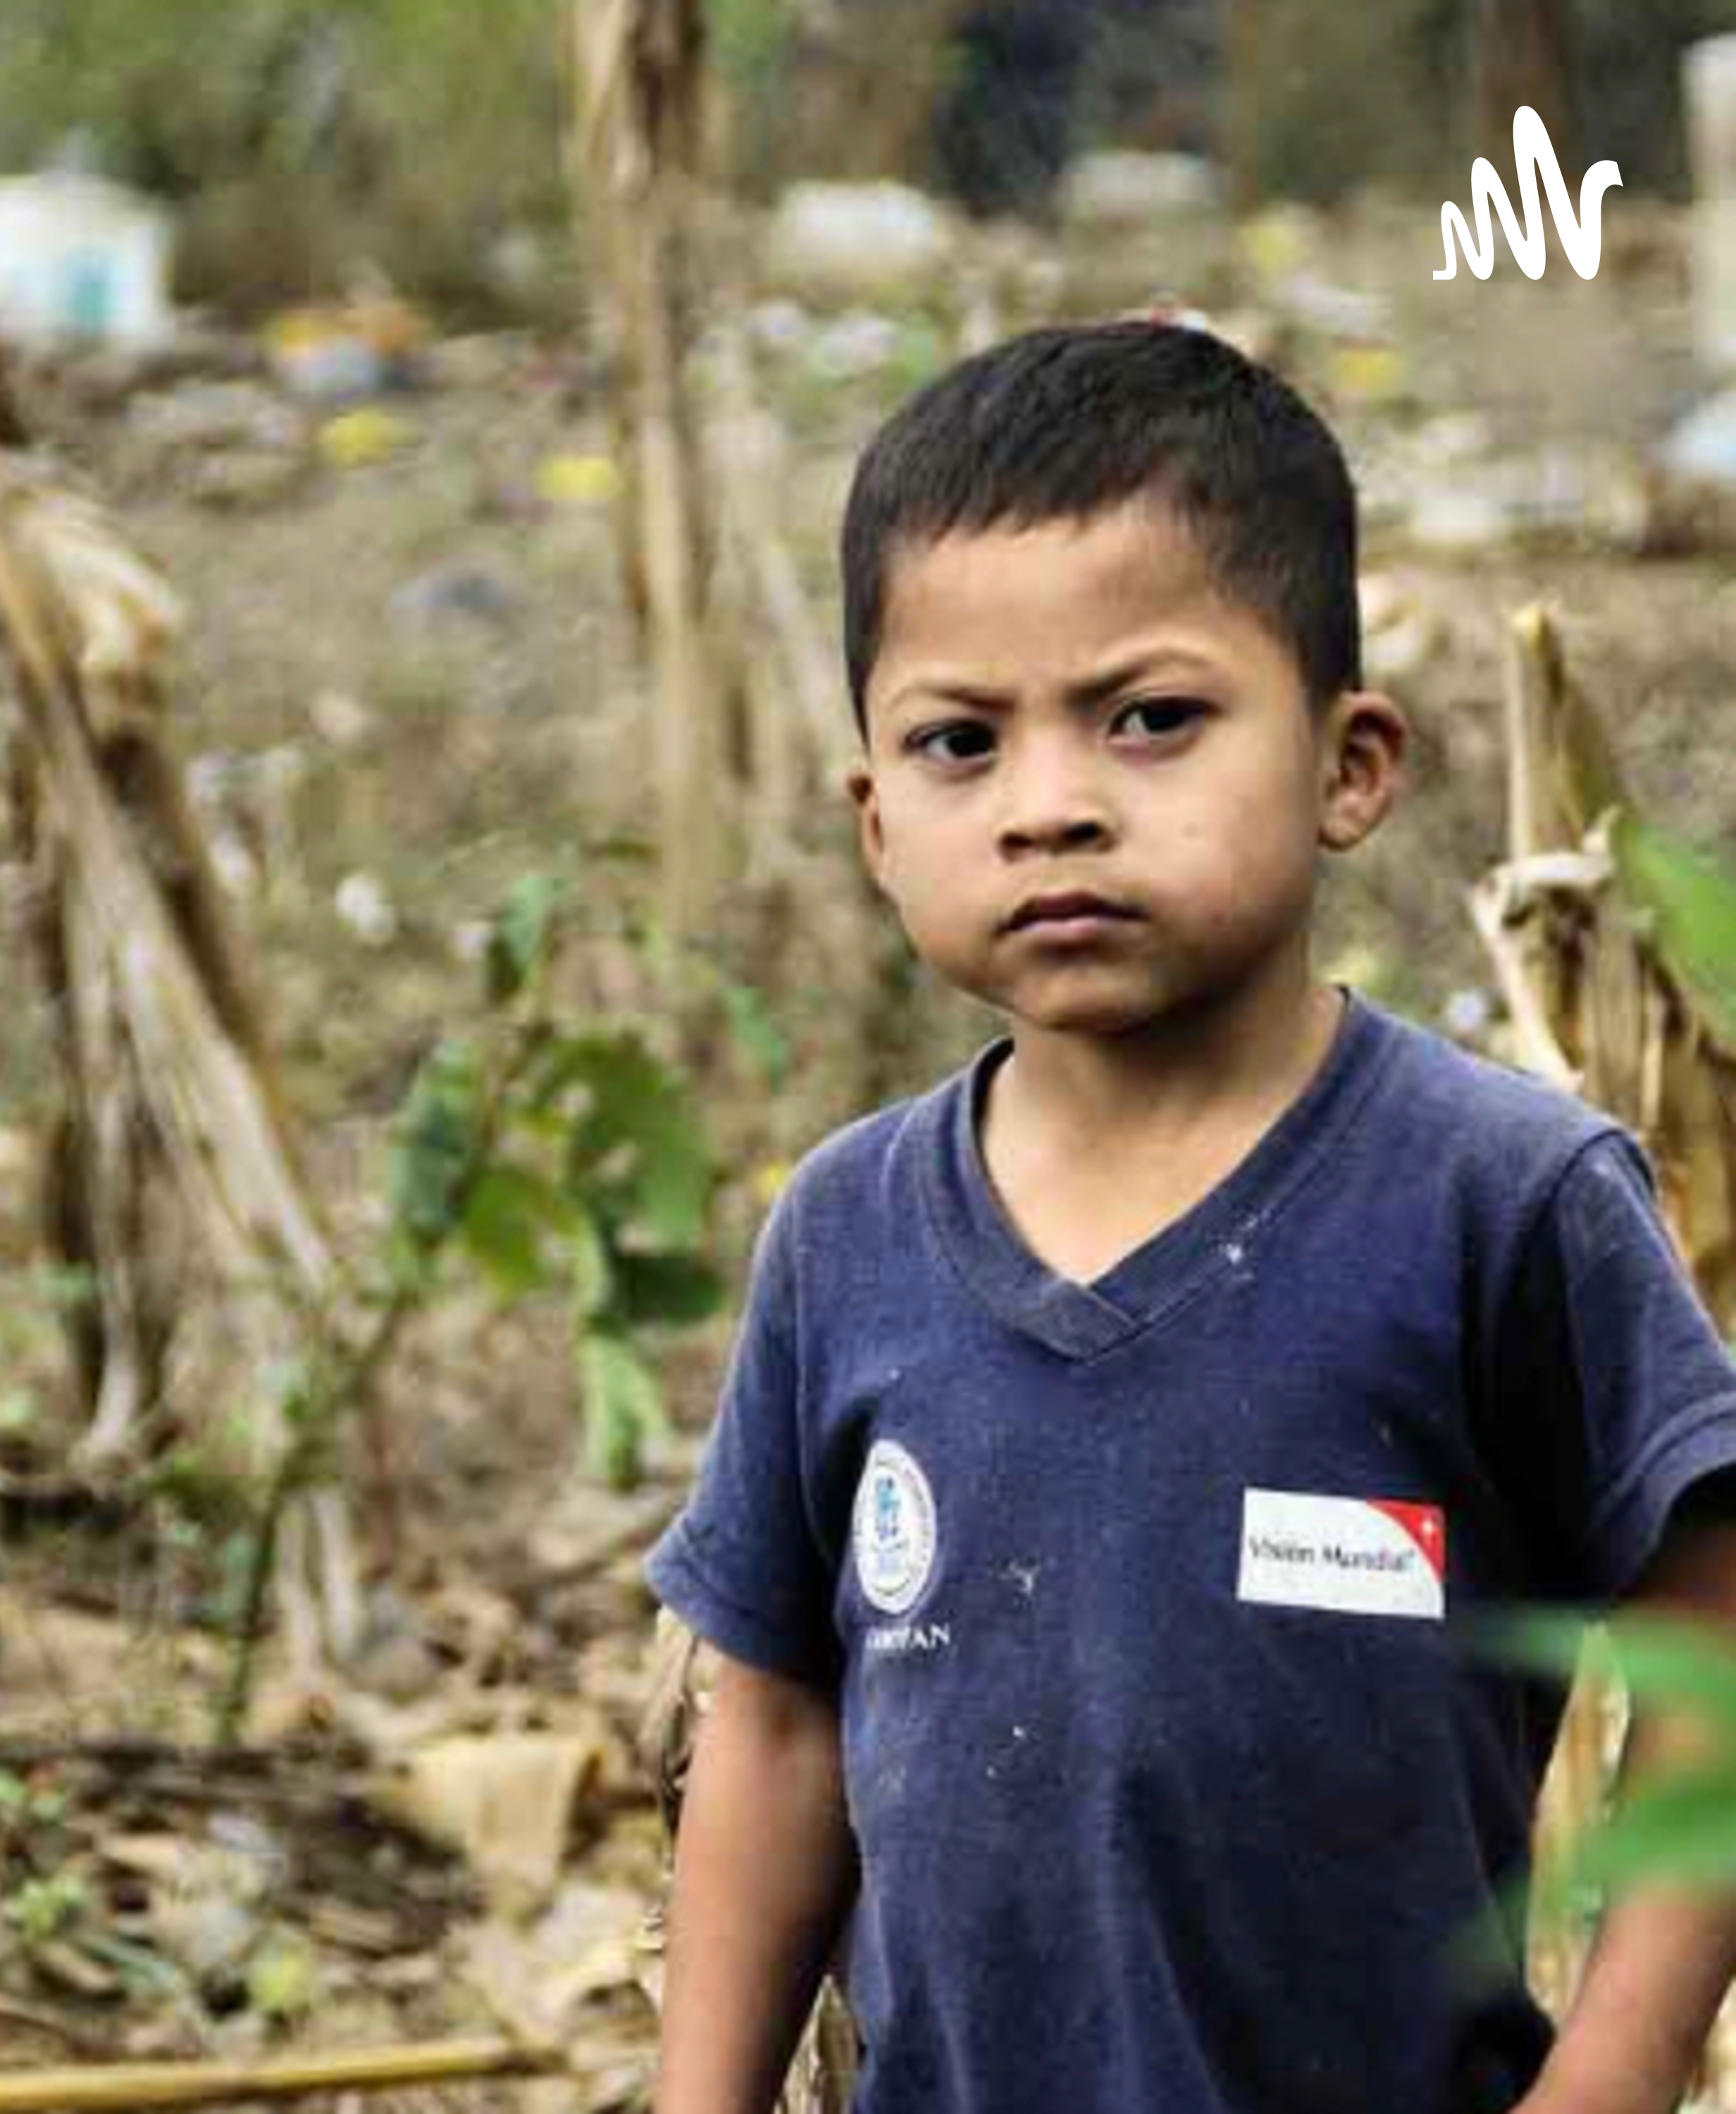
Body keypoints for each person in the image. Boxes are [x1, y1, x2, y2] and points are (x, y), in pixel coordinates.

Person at [644, 320, 1736, 2114]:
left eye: (1150, 719)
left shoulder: (1497, 1204)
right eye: (957, 743)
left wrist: (1607, 2085)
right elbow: (772, 1725)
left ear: (1349, 764)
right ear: (872, 820)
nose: (1051, 805)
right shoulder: (846, 1237)